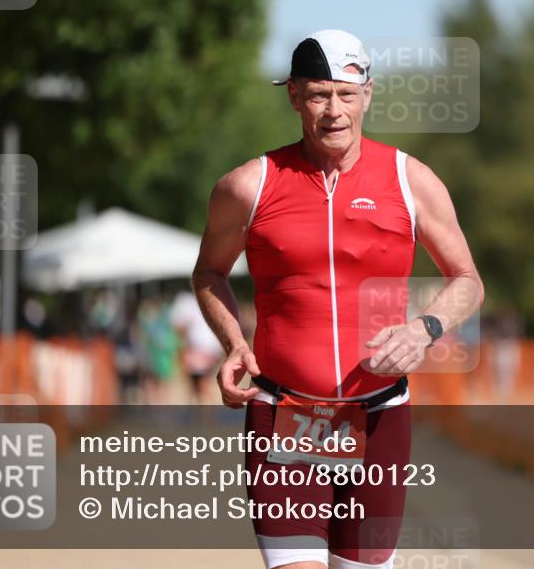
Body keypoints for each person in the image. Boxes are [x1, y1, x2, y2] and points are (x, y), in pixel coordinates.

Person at [193, 30, 484, 569]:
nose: (334, 111)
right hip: (285, 411)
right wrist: (233, 342)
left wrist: (424, 330)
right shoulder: (247, 185)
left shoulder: (410, 179)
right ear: (294, 97)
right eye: (318, 94)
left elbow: (467, 279)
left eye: (346, 94)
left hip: (379, 415)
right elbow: (209, 272)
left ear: (368, 94)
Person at [170, 289, 224, 403]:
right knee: (197, 385)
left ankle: (204, 415)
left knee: (201, 385)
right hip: (200, 351)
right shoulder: (195, 301)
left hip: (201, 351)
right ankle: (202, 415)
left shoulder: (187, 302)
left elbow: (178, 327)